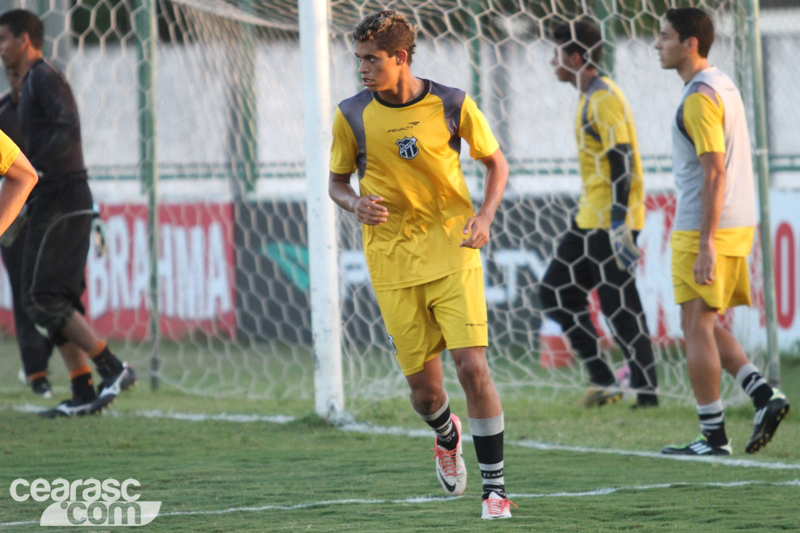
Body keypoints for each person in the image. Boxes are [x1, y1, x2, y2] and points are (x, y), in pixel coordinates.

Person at [328, 11, 514, 519]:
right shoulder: (350, 115)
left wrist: (486, 215)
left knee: (473, 368)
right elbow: (337, 183)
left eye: (372, 60)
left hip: (453, 253)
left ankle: (495, 490)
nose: (362, 69)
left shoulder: (452, 103)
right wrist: (354, 204)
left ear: (401, 58)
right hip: (392, 263)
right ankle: (445, 434)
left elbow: (496, 163)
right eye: (359, 60)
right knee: (425, 394)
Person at [655, 7, 789, 455]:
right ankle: (762, 394)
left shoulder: (698, 97)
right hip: (736, 220)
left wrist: (706, 243)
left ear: (690, 44)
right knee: (704, 321)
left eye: (665, 36)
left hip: (704, 225)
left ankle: (713, 436)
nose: (658, 44)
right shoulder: (725, 84)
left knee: (695, 325)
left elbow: (714, 172)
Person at [0, 9, 136, 418]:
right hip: (48, 196)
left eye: (3, 38)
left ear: (24, 40)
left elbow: (66, 126)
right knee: (42, 297)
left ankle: (113, 367)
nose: (0, 48)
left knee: (42, 296)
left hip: (63, 194)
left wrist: (34, 169)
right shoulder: (24, 91)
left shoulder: (45, 77)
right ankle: (81, 386)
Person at [540, 20, 658, 408]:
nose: (552, 60)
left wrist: (620, 220)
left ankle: (646, 393)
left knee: (619, 305)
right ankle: (604, 379)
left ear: (575, 57)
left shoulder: (604, 97)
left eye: (557, 53)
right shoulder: (589, 95)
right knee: (556, 290)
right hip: (589, 217)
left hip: (610, 219)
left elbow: (621, 158)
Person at [0, 66, 54, 398]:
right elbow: (23, 175)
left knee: (57, 293)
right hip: (19, 221)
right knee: (26, 293)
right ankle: (37, 373)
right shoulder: (5, 113)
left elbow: (25, 176)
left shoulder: (50, 115)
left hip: (50, 213)